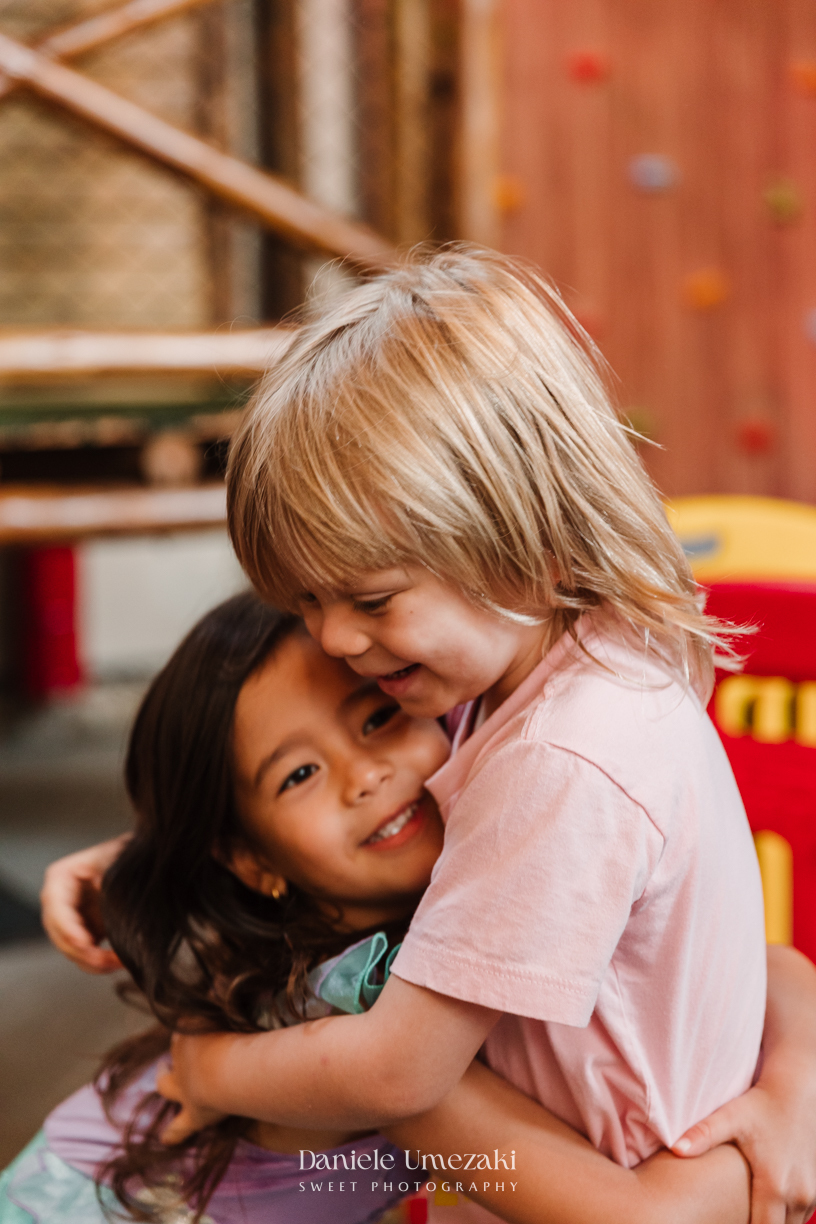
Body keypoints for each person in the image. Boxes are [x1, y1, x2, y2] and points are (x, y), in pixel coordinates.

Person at [134, 247, 815, 1223]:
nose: (329, 638)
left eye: (369, 598)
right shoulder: (563, 657)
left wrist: (211, 1069)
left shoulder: (560, 760)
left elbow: (396, 1073)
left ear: (532, 545)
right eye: (308, 599)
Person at [3, 592, 759, 1224]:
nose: (365, 775)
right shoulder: (363, 1035)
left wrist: (793, 1095)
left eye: (376, 719)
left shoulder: (488, 861)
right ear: (252, 861)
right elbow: (650, 1220)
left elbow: (766, 964)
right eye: (299, 774)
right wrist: (762, 1150)